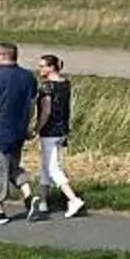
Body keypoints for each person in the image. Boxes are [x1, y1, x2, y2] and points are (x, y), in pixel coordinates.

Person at [0, 41, 39, 225]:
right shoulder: (28, 77)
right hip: (18, 131)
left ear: (2, 55)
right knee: (12, 166)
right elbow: (32, 103)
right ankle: (28, 196)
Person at [26, 53, 85, 219]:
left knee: (53, 168)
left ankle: (73, 199)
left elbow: (46, 111)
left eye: (42, 66)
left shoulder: (46, 87)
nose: (40, 69)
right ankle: (43, 202)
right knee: (47, 166)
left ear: (51, 67)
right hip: (62, 129)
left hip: (50, 131)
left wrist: (36, 128)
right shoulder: (65, 83)